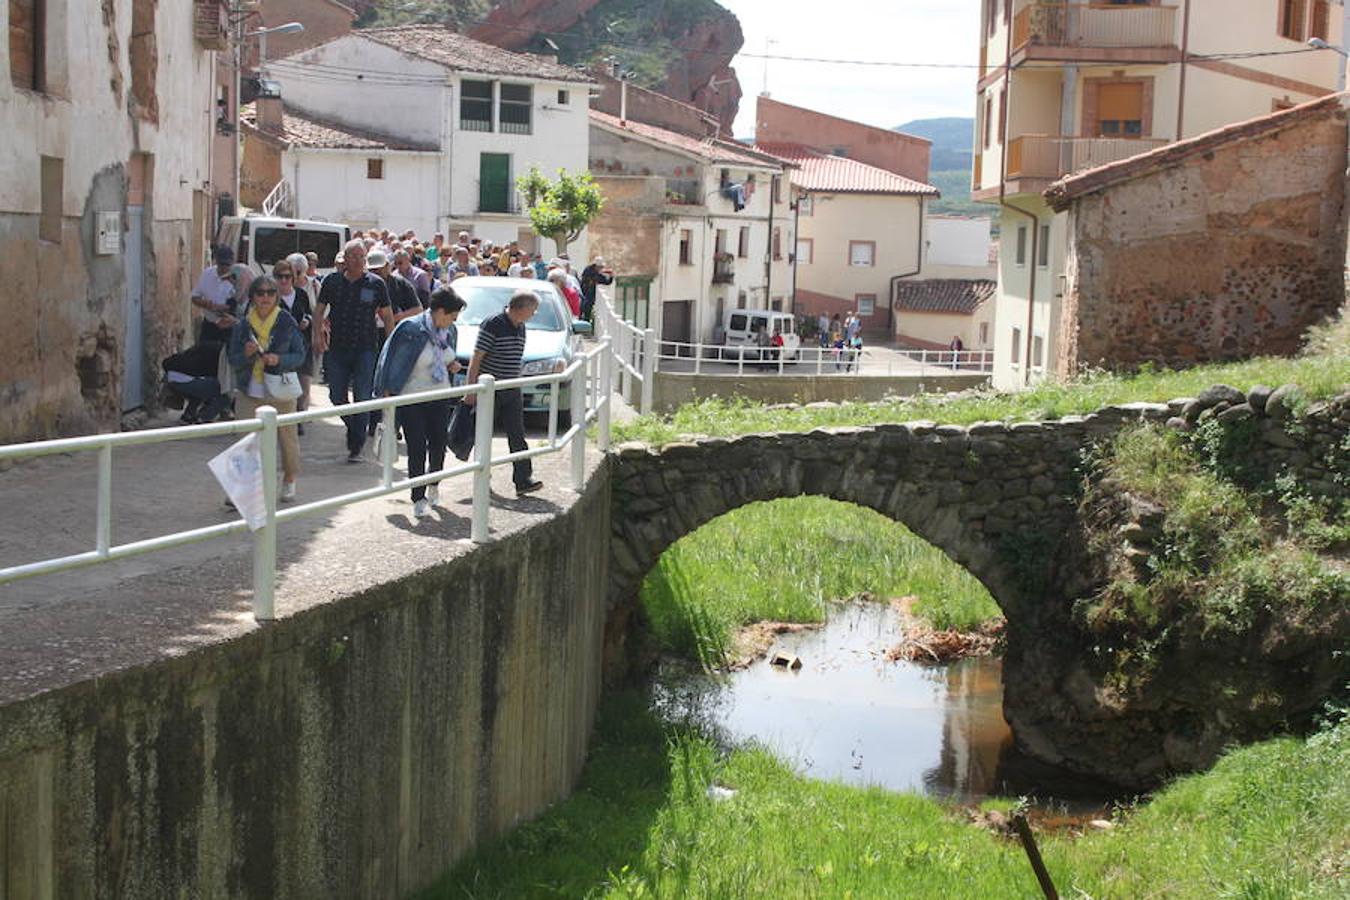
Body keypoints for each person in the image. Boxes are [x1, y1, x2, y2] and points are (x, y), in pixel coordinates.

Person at [374, 288, 467, 518]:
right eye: (451, 316)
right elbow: (391, 358)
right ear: (440, 311)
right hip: (412, 395)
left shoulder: (450, 331)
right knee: (416, 446)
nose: (453, 322)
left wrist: (452, 365)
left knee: (438, 443)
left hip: (439, 394)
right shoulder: (410, 328)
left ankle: (434, 483)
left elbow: (448, 356)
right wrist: (386, 391)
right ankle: (418, 496)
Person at [227, 276, 306, 502]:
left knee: (287, 440)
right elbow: (233, 358)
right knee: (244, 441)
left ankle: (290, 479)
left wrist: (278, 359)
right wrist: (246, 354)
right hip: (249, 388)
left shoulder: (286, 321)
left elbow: (300, 355)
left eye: (270, 293)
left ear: (276, 296)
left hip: (279, 389)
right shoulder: (243, 325)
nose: (265, 297)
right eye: (260, 293)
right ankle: (243, 490)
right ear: (252, 296)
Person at [313, 239, 393, 462]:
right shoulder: (332, 281)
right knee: (336, 396)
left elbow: (387, 316)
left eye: (361, 257)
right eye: (353, 256)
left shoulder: (376, 284)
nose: (358, 260)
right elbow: (319, 311)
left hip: (365, 348)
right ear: (345, 259)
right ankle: (355, 428)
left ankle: (356, 444)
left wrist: (390, 345)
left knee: (363, 397)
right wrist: (317, 336)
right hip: (337, 348)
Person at [462, 290, 543, 495]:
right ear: (522, 308)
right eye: (533, 310)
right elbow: (477, 357)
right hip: (492, 390)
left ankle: (523, 479)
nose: (534, 314)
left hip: (512, 388)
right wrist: (471, 390)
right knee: (483, 434)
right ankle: (482, 474)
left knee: (517, 434)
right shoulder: (494, 324)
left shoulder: (521, 326)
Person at [277, 255, 315, 430]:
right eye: (280, 276)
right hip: (282, 349)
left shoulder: (301, 294)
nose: (284, 280)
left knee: (303, 385)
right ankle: (285, 419)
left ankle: (299, 419)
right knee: (285, 386)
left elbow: (308, 313)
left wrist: (307, 321)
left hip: (302, 345)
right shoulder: (271, 296)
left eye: (287, 276)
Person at [191, 245, 250, 344]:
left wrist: (228, 309)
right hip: (210, 325)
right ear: (216, 262)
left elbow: (245, 305)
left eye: (227, 265)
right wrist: (210, 305)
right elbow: (194, 297)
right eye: (222, 264)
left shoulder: (239, 278)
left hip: (230, 327)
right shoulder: (207, 274)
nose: (224, 268)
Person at [162, 342, 231, 424]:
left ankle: (189, 415)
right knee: (226, 392)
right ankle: (203, 418)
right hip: (182, 379)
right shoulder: (220, 356)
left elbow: (167, 362)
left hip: (175, 378)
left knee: (205, 385)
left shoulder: (212, 348)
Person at [580, 256, 614, 321]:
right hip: (585, 294)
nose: (601, 268)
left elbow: (606, 282)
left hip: (590, 296)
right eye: (600, 267)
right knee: (585, 309)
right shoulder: (589, 271)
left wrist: (611, 276)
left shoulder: (595, 272)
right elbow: (600, 279)